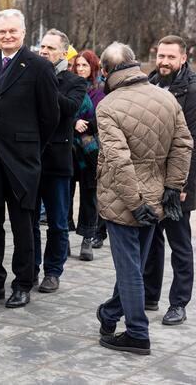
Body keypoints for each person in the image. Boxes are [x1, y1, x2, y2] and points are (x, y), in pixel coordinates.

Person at [95, 42, 192, 355]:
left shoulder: (108, 106)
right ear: (134, 64)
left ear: (107, 71)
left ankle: (137, 333)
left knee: (129, 271)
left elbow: (118, 161)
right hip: (158, 197)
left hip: (125, 200)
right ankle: (110, 313)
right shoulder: (165, 96)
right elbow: (183, 145)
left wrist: (135, 202)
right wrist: (172, 188)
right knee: (134, 267)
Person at [0, 9, 60, 309]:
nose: (7, 36)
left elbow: (50, 115)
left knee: (23, 224)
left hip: (22, 159)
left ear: (23, 33)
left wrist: (32, 147)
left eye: (13, 31)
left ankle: (23, 283)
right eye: (2, 31)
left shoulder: (39, 67)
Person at [144, 35, 196, 325]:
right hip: (150, 179)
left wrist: (183, 185)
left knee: (180, 243)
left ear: (183, 59)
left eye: (170, 57)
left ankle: (178, 303)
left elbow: (192, 143)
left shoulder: (192, 90)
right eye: (160, 55)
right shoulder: (148, 84)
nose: (164, 61)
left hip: (179, 182)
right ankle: (150, 295)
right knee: (152, 241)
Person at [32, 29, 86, 293]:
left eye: (50, 48)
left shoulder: (75, 81)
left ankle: (53, 271)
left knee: (57, 222)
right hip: (29, 159)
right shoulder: (28, 75)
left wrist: (44, 82)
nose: (44, 52)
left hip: (57, 161)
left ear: (64, 53)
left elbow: (68, 109)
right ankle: (30, 268)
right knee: (28, 219)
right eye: (42, 47)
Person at [68, 50, 106, 260]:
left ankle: (87, 239)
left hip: (91, 151)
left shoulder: (101, 89)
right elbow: (60, 110)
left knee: (89, 196)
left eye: (85, 65)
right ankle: (63, 238)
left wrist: (89, 125)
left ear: (93, 67)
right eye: (78, 65)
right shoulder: (68, 84)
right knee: (65, 193)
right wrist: (73, 122)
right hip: (69, 147)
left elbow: (107, 116)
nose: (80, 69)